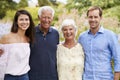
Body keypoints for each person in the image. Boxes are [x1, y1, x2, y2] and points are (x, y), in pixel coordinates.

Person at [78, 6, 120, 80]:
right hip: (87, 78)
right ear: (87, 18)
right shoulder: (82, 37)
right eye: (90, 17)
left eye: (95, 17)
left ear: (100, 18)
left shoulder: (110, 36)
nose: (93, 19)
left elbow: (118, 58)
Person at [0, 9, 35, 80]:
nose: (24, 22)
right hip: (9, 76)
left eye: (26, 19)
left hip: (24, 76)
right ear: (16, 22)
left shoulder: (28, 39)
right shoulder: (6, 38)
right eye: (21, 19)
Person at [29, 6, 59, 80]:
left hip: (52, 76)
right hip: (34, 76)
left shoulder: (56, 33)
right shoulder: (30, 32)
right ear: (39, 17)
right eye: (44, 17)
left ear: (52, 18)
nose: (46, 20)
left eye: (49, 17)